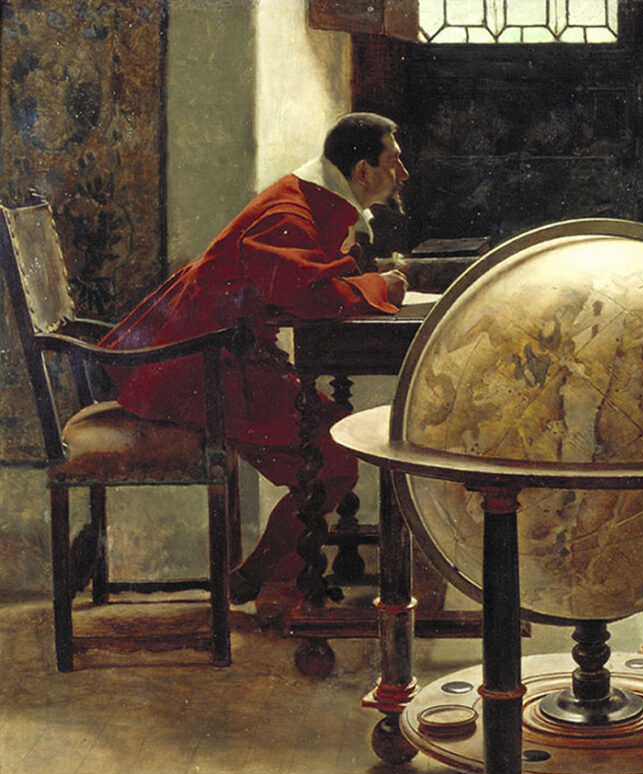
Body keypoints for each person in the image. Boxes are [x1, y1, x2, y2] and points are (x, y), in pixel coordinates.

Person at [99, 112, 411, 604]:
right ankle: (267, 580)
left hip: (226, 354)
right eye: (394, 161)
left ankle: (270, 579)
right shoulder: (291, 211)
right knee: (334, 456)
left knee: (334, 443)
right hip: (198, 366)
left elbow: (299, 283)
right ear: (360, 171)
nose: (403, 173)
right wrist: (380, 286)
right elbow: (308, 295)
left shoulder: (309, 198)